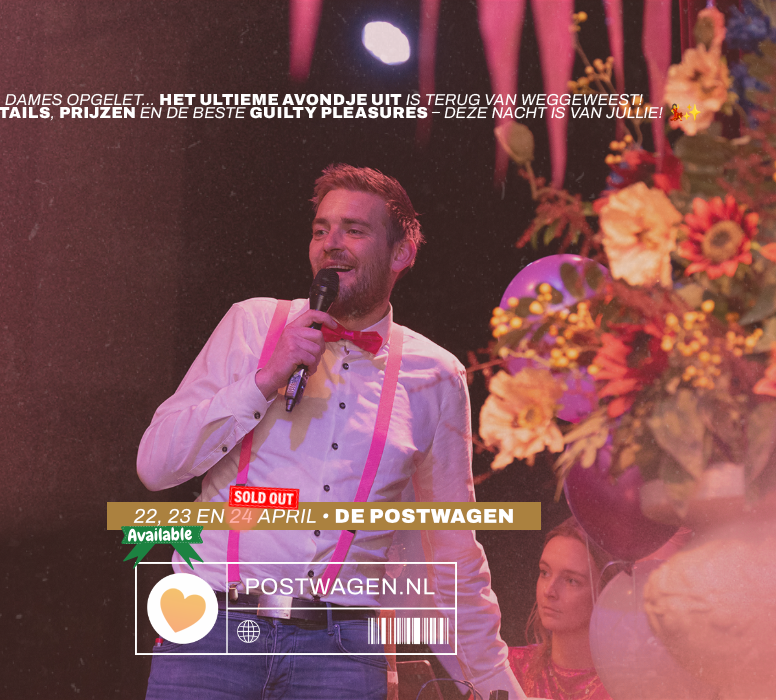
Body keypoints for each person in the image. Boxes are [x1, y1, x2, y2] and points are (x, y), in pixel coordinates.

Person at [137, 164, 524, 699]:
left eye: (354, 230)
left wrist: (493, 683)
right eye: (321, 230)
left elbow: (454, 550)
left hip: (343, 652)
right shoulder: (252, 324)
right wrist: (262, 381)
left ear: (401, 254)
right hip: (213, 628)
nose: (330, 244)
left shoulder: (436, 375)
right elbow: (155, 466)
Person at [508, 518, 618, 700]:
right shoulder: (508, 669)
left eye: (571, 580)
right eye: (545, 572)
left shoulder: (626, 688)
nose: (549, 591)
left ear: (605, 591)